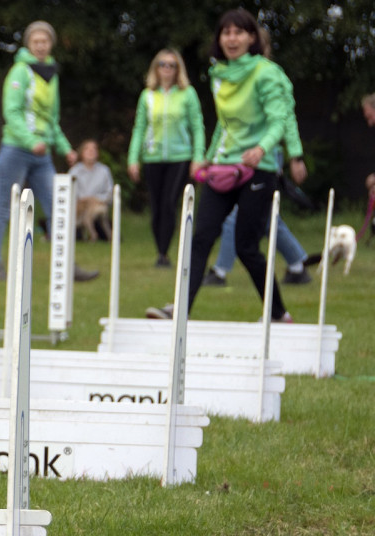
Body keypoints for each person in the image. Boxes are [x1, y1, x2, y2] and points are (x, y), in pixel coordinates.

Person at [147, 8, 293, 323]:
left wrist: (261, 148)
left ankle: (278, 313)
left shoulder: (266, 72)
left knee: (245, 246)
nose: (231, 38)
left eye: (239, 32)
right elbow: (223, 125)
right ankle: (179, 309)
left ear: (252, 37)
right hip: (224, 168)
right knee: (200, 238)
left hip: (259, 168)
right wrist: (207, 156)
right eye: (226, 32)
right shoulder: (218, 75)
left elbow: (279, 120)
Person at [0, 21, 98, 283]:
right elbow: (11, 112)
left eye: (45, 41)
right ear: (28, 44)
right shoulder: (19, 72)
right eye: (36, 41)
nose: (41, 45)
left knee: (58, 208)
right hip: (15, 150)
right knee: (4, 208)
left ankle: (68, 266)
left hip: (42, 155)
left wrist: (67, 149)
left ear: (51, 44)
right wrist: (29, 139)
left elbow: (51, 118)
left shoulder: (51, 74)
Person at [203, 30, 312, 287]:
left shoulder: (272, 75)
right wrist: (210, 156)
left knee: (241, 217)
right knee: (262, 220)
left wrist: (295, 156)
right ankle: (298, 264)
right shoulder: (234, 78)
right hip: (233, 158)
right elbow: (226, 123)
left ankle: (220, 270)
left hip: (263, 158)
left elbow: (287, 119)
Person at [127, 48, 205, 268]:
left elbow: (197, 127)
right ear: (156, 68)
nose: (167, 69)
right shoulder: (147, 95)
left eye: (171, 65)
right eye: (162, 64)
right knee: (157, 206)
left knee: (169, 203)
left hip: (180, 156)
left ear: (178, 69)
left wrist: (198, 157)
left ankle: (164, 254)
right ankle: (160, 249)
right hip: (152, 157)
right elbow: (139, 128)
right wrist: (133, 158)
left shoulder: (187, 93)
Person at [68, 138, 114, 241]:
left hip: (98, 205)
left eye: (94, 149)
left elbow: (109, 193)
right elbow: (70, 193)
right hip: (80, 207)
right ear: (81, 153)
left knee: (94, 212)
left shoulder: (104, 171)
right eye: (87, 149)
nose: (91, 151)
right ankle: (87, 233)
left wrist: (95, 199)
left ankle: (98, 235)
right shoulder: (74, 171)